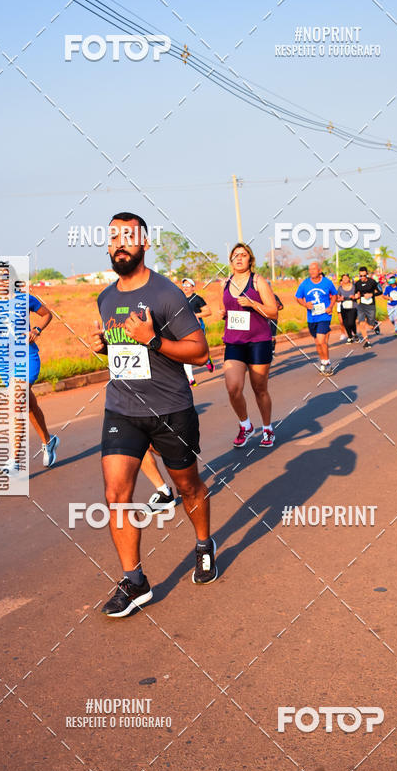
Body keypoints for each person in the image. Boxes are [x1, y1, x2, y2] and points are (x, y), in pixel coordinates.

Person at [90, 212, 217, 618]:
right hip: (123, 407)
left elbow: (200, 352)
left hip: (170, 408)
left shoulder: (167, 295)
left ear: (144, 243)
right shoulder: (106, 297)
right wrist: (104, 347)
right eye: (113, 238)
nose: (119, 244)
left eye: (128, 237)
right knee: (116, 494)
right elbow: (123, 350)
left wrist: (154, 339)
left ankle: (203, 544)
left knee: (188, 487)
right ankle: (135, 581)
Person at [0, 264, 59, 469]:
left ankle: (14, 461)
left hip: (27, 358)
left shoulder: (25, 299)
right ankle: (49, 441)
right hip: (5, 363)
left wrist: (36, 329)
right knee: (28, 406)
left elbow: (47, 314)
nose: (2, 281)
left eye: (6, 277)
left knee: (16, 403)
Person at [219, 242, 279, 448]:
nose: (238, 258)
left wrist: (253, 304)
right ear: (231, 260)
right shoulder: (226, 283)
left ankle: (268, 428)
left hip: (258, 341)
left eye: (243, 255)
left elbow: (273, 312)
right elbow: (224, 309)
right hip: (234, 342)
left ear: (250, 259)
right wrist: (223, 315)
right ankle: (246, 425)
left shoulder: (258, 281)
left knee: (259, 388)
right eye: (235, 255)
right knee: (233, 387)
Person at [295, 261, 338, 374]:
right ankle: (322, 362)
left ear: (319, 270)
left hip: (324, 316)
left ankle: (328, 363)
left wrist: (331, 306)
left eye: (314, 269)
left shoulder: (327, 282)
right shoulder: (305, 284)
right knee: (317, 342)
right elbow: (298, 297)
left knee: (321, 340)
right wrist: (305, 304)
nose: (311, 271)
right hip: (311, 317)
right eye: (310, 269)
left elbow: (334, 295)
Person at [180, 277, 214, 385]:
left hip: (197, 327)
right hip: (183, 329)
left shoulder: (197, 299)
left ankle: (207, 360)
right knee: (186, 354)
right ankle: (191, 379)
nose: (185, 287)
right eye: (184, 285)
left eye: (188, 285)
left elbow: (208, 311)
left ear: (193, 288)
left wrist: (196, 315)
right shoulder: (180, 299)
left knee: (200, 350)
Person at [354, 266, 381, 349]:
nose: (362, 277)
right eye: (360, 276)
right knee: (361, 323)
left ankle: (374, 324)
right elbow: (356, 294)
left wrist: (372, 294)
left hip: (371, 305)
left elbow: (380, 291)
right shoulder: (357, 283)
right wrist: (357, 296)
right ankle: (367, 341)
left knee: (370, 326)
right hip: (361, 305)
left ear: (367, 274)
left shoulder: (372, 282)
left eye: (364, 275)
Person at [336, 273, 358, 343]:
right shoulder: (340, 288)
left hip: (353, 306)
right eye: (343, 278)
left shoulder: (354, 286)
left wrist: (354, 297)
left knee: (351, 322)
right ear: (342, 280)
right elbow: (337, 298)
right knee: (345, 323)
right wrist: (340, 299)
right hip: (344, 307)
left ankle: (355, 333)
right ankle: (350, 337)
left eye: (346, 278)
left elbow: (358, 295)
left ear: (349, 278)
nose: (345, 279)